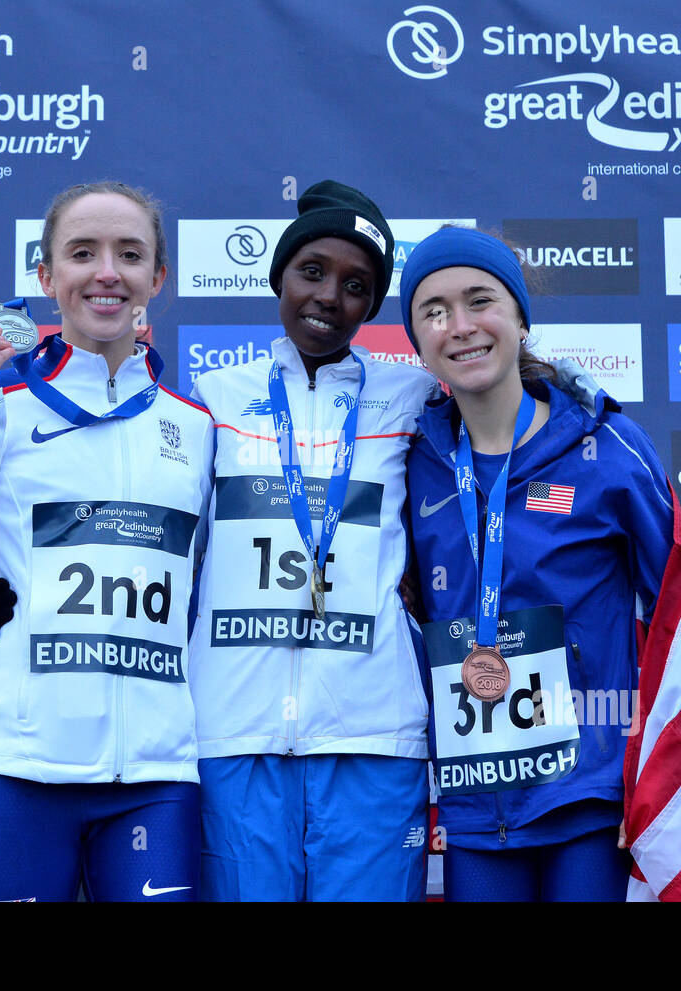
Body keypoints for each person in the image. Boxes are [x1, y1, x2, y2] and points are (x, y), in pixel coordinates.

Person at [400, 226, 681, 902]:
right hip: (474, 805)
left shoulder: (605, 445)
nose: (460, 326)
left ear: (521, 317)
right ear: (417, 341)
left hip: (587, 796)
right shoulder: (415, 463)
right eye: (434, 311)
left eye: (480, 300)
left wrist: (653, 778)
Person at [0, 181, 215, 902]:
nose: (107, 271)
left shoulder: (196, 425)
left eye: (129, 254)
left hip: (156, 773)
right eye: (83, 253)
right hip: (18, 763)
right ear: (46, 277)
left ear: (157, 279)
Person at [187, 180, 443, 901]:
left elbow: (510, 405)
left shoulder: (413, 396)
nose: (330, 296)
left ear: (372, 304)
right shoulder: (212, 399)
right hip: (235, 735)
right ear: (280, 277)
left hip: (373, 734)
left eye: (357, 285)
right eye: (312, 272)